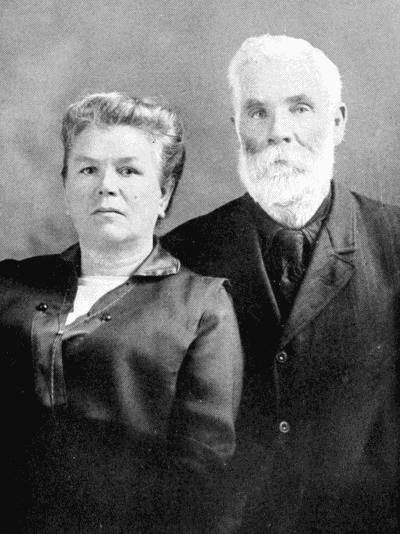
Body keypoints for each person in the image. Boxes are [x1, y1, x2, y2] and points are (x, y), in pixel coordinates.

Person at [163, 35, 400, 533]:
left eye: (300, 109)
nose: (278, 133)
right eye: (257, 113)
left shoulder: (394, 243)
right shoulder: (183, 253)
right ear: (236, 128)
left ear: (337, 123)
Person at [2, 92, 243, 533]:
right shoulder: (9, 285)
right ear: (66, 187)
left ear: (163, 194)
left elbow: (202, 474)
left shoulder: (200, 305)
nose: (105, 186)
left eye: (128, 170)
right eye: (88, 169)